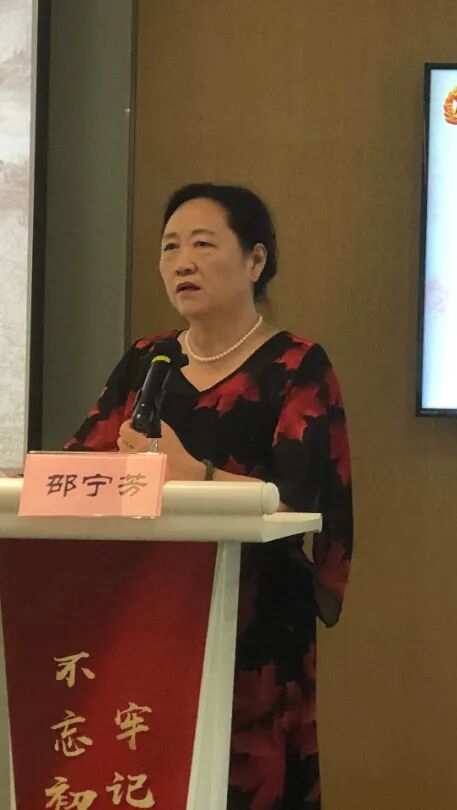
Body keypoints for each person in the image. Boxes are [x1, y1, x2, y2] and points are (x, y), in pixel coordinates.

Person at [65, 183, 352, 809]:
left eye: (202, 244)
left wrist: (191, 473)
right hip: (147, 611)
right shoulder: (148, 360)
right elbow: (80, 465)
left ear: (255, 260)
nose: (182, 262)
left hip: (252, 624)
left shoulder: (296, 365)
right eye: (170, 247)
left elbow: (298, 499)